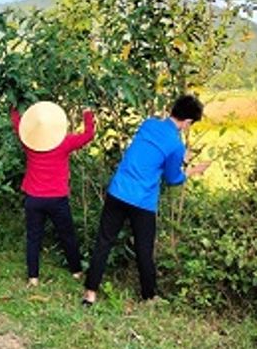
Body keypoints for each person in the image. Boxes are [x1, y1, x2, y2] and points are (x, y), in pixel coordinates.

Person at [82, 94, 210, 305]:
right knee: (144, 249)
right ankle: (149, 296)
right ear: (187, 122)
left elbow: (149, 154)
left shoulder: (149, 124)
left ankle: (90, 293)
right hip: (142, 201)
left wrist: (179, 158)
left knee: (104, 242)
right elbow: (172, 178)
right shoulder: (176, 145)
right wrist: (192, 170)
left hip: (118, 191)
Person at [11, 102, 95, 286]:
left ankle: (33, 278)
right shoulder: (64, 143)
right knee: (67, 235)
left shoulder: (29, 144)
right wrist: (87, 113)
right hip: (57, 199)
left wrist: (14, 108)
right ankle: (76, 271)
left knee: (33, 237)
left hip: (33, 198)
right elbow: (88, 135)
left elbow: (19, 127)